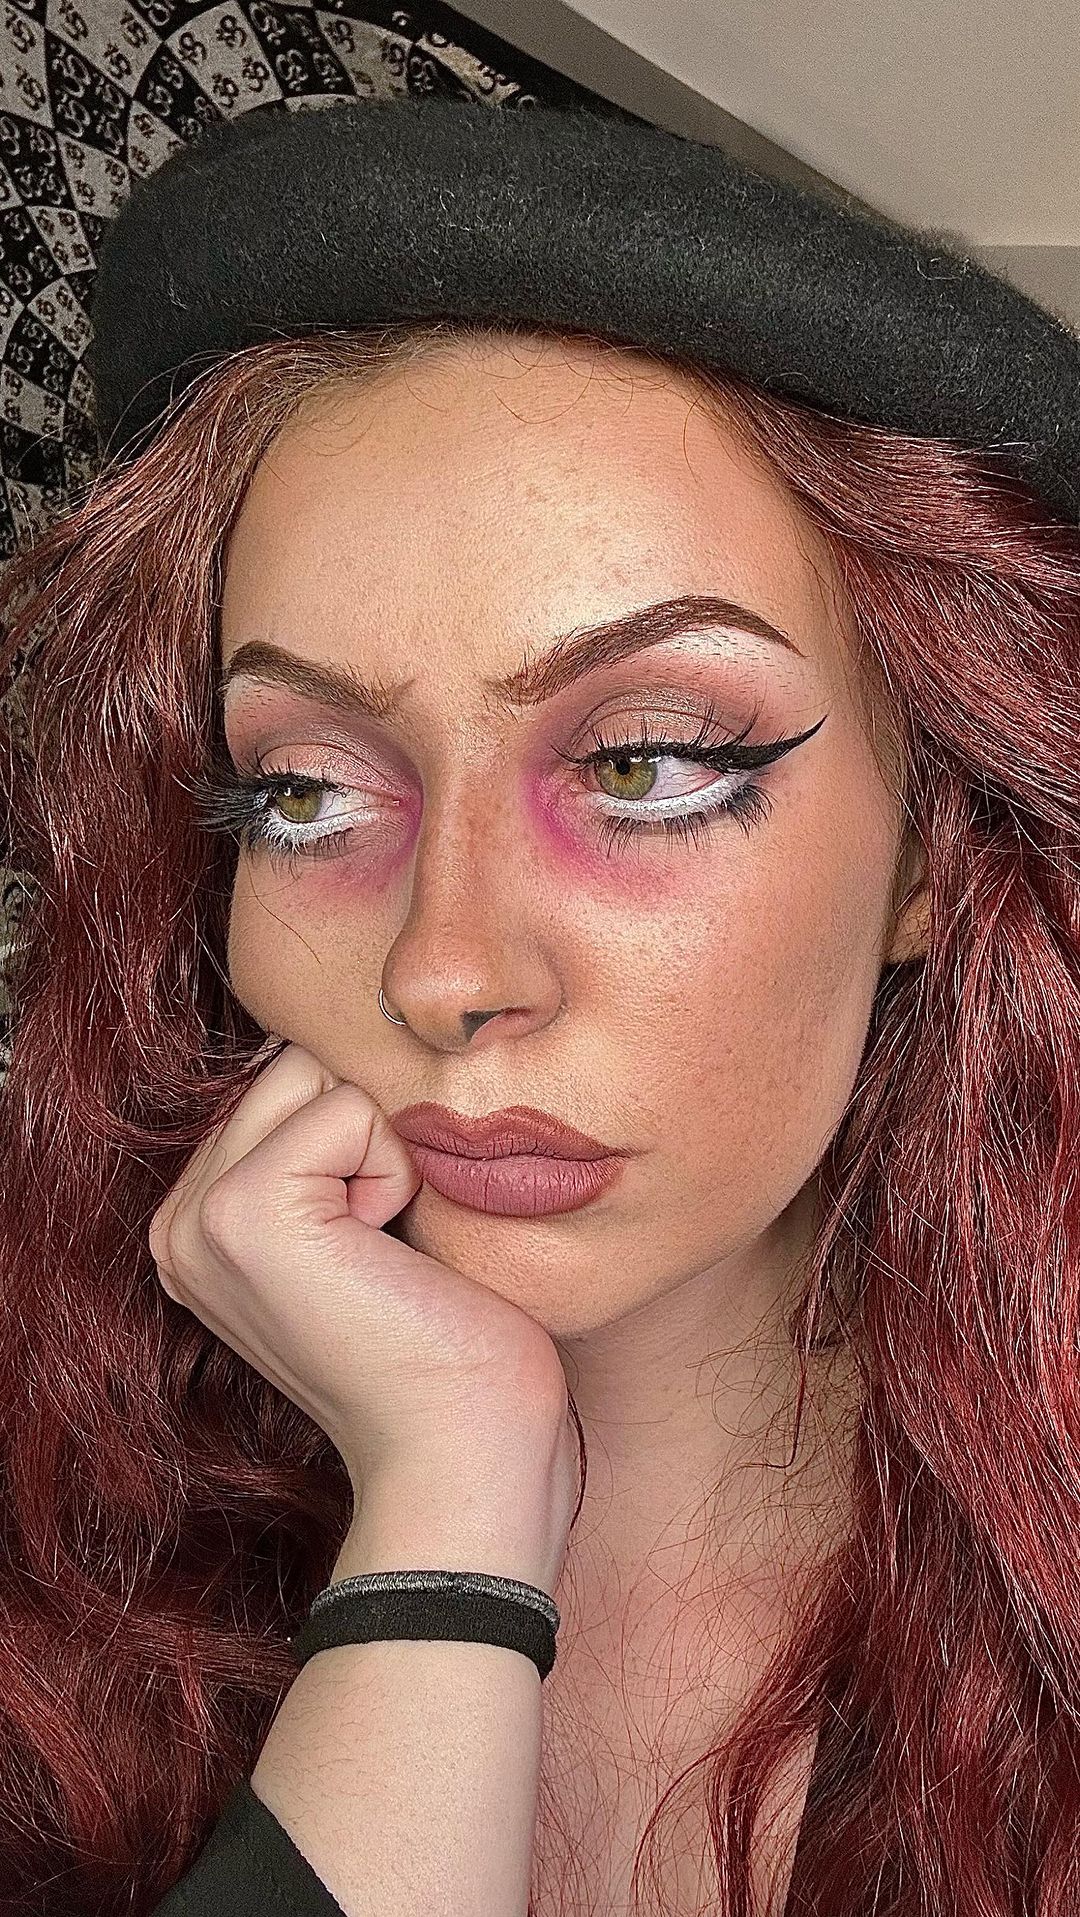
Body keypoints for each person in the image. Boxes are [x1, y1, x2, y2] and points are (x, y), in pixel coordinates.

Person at [0, 98, 1077, 1917]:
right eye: (307, 792)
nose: (446, 968)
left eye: (646, 761)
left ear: (926, 852)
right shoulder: (65, 1537)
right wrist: (448, 1500)